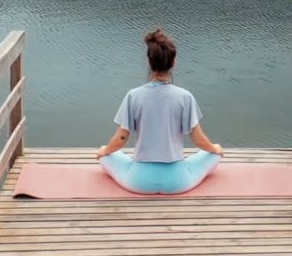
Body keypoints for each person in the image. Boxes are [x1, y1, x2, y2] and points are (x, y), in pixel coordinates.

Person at [96, 27, 224, 194]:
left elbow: (121, 138)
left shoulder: (133, 96)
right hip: (178, 182)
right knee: (214, 154)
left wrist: (103, 151)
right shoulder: (185, 97)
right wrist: (215, 149)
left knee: (105, 154)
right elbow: (198, 139)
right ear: (173, 62)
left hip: (139, 181)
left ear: (149, 62)